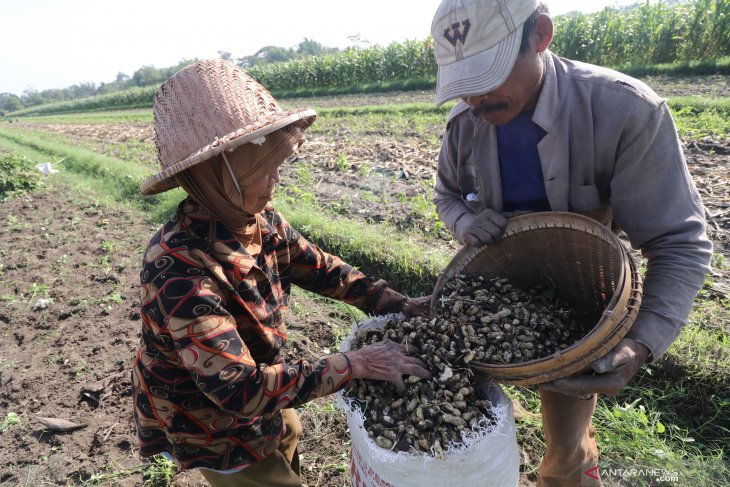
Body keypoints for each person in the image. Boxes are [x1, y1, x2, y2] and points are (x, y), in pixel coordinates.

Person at [429, 0, 713, 485]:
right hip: (495, 296)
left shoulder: (624, 110)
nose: (475, 98)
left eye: (488, 75)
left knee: (565, 454)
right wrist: (462, 222)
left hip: (577, 309)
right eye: (464, 84)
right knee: (455, 426)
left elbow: (679, 241)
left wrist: (641, 343)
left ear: (540, 34)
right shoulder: (466, 122)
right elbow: (447, 195)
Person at [131, 59, 431, 486]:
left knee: (288, 431)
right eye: (260, 169)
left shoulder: (254, 216)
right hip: (212, 422)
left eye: (276, 164)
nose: (275, 180)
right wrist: (359, 363)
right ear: (215, 174)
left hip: (263, 378)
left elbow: (321, 268)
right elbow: (239, 390)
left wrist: (395, 303)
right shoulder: (178, 267)